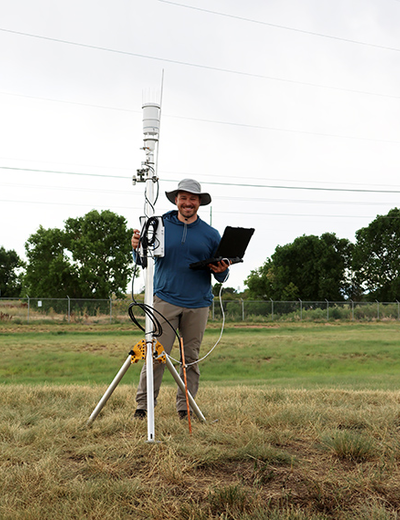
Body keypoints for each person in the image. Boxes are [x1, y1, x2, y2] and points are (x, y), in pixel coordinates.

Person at [131, 178, 230, 419]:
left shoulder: (211, 234)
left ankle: (186, 408)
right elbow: (141, 260)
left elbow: (223, 274)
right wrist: (135, 247)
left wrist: (222, 270)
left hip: (198, 304)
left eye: (193, 199)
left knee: (190, 359)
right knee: (155, 355)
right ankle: (143, 408)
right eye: (183, 198)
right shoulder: (159, 224)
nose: (188, 203)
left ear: (199, 203)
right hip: (164, 300)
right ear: (176, 199)